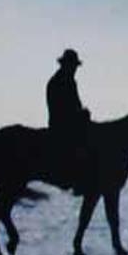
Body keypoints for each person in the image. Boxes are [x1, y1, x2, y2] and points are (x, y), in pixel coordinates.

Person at [47, 48, 91, 194]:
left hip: (71, 123)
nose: (74, 69)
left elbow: (76, 105)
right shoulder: (57, 82)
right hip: (61, 126)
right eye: (73, 66)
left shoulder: (70, 81)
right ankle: (79, 180)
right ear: (66, 65)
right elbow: (60, 109)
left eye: (75, 67)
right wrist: (79, 115)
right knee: (81, 147)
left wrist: (82, 113)